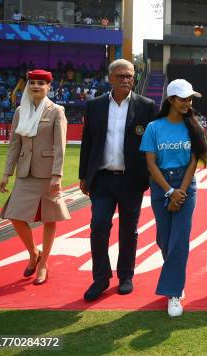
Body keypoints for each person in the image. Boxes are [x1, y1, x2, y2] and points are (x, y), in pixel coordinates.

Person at [79, 59, 157, 301]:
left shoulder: (147, 106)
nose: (126, 80)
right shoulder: (95, 106)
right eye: (121, 76)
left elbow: (152, 145)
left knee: (129, 230)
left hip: (131, 179)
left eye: (130, 76)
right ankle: (100, 279)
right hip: (102, 179)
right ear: (110, 78)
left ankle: (126, 275)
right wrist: (84, 176)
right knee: (99, 226)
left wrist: (150, 175)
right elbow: (88, 143)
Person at [140, 79, 207, 317]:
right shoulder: (154, 127)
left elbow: (193, 161)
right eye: (183, 99)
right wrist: (170, 192)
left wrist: (180, 191)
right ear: (170, 100)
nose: (188, 103)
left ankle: (173, 292)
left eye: (190, 99)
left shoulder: (193, 126)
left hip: (185, 185)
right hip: (161, 185)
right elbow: (150, 162)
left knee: (179, 240)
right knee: (164, 239)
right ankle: (176, 278)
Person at [0, 69, 70, 285]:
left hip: (48, 174)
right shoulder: (21, 111)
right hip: (24, 173)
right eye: (32, 82)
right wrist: (6, 173)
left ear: (49, 86)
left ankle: (44, 263)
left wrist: (57, 175)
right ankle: (33, 253)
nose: (36, 86)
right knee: (14, 216)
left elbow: (60, 146)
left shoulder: (57, 110)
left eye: (41, 83)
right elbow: (14, 144)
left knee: (49, 219)